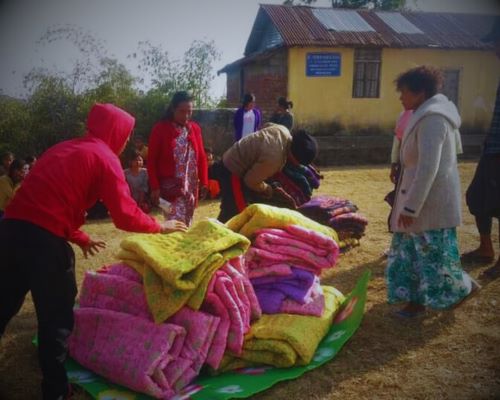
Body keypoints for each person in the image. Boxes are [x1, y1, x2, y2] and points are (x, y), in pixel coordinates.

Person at [0, 103, 187, 400]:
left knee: (3, 304)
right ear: (115, 132)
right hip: (44, 244)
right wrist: (158, 227)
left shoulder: (63, 148)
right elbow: (124, 214)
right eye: (125, 135)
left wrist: (78, 237)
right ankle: (56, 391)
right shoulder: (104, 157)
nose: (126, 142)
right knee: (56, 319)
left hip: (9, 232)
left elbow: (41, 202)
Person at [386, 65, 476, 318]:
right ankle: (416, 302)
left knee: (433, 260)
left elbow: (428, 168)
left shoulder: (434, 119)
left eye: (404, 92)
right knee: (411, 256)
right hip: (416, 199)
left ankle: (458, 291)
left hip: (428, 205)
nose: (401, 97)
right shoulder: (422, 114)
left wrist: (412, 207)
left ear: (420, 92)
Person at [215, 123, 318, 222]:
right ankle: (216, 236)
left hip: (238, 156)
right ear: (295, 157)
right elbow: (250, 181)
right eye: (298, 163)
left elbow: (266, 125)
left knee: (236, 208)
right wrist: (267, 189)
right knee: (237, 213)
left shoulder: (283, 130)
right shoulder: (274, 159)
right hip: (233, 169)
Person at [462, 17, 500, 279]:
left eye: (496, 43)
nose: (494, 49)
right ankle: (486, 249)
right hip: (493, 149)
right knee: (477, 198)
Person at [147, 91, 208, 226]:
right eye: (182, 111)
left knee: (187, 223)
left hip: (190, 186)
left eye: (189, 111)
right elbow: (151, 161)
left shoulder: (194, 129)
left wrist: (204, 181)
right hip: (170, 188)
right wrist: (155, 186)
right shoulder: (160, 129)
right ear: (173, 109)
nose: (186, 116)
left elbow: (202, 157)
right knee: (176, 225)